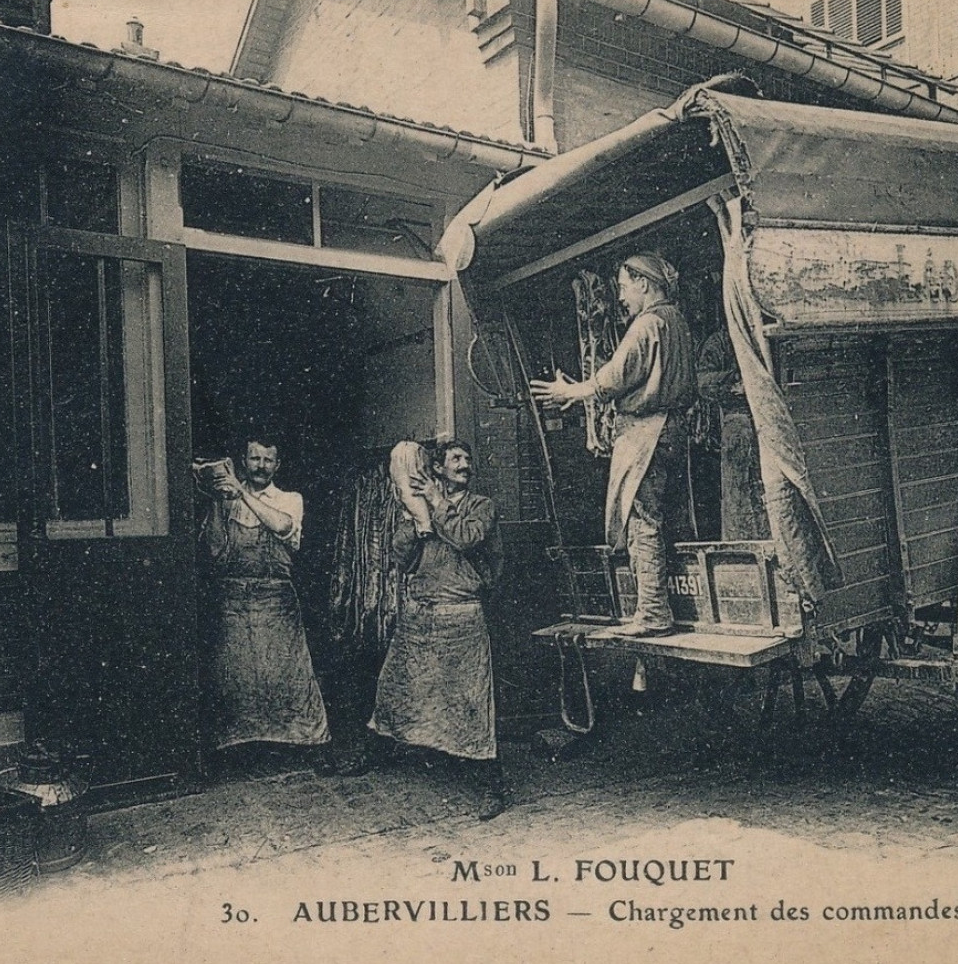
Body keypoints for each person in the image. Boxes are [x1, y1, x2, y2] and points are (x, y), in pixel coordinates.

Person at [531, 253, 696, 637]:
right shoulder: (678, 321)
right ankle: (668, 606)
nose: (621, 296)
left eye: (623, 286)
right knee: (666, 517)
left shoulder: (648, 323)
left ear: (643, 282)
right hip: (673, 428)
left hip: (647, 431)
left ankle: (653, 613)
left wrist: (571, 390)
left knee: (642, 520)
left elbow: (614, 377)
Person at [355, 439, 510, 820]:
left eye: (468, 459)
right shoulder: (419, 508)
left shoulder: (481, 506)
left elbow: (466, 537)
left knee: (470, 705)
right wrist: (419, 526)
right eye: (456, 458)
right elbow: (399, 557)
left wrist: (437, 506)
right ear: (437, 469)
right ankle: (377, 750)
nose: (465, 464)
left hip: (461, 618)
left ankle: (491, 784)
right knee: (396, 689)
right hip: (420, 615)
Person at [197, 434, 331, 773]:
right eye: (255, 459)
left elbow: (283, 526)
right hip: (232, 601)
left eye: (268, 460)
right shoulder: (224, 500)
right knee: (234, 678)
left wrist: (240, 492)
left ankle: (302, 746)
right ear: (244, 462)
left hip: (276, 600)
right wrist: (216, 499)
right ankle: (236, 754)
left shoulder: (289, 499)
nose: (261, 466)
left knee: (288, 677)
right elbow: (213, 551)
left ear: (277, 465)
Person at [696, 327, 769, 541]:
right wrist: (736, 379)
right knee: (739, 495)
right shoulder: (722, 341)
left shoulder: (763, 335)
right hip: (739, 423)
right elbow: (703, 381)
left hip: (767, 424)